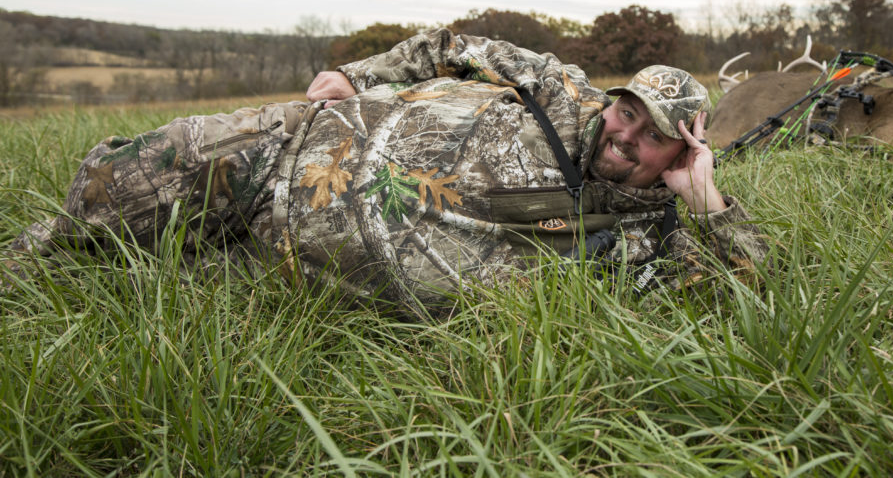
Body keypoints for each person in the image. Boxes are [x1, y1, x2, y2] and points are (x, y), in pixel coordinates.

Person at [6, 29, 768, 316]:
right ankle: (34, 250)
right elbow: (450, 44)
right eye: (626, 111)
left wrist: (709, 205)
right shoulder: (562, 89)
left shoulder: (649, 239)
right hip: (294, 144)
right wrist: (352, 72)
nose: (624, 133)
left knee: (151, 282)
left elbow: (752, 304)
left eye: (652, 134)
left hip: (295, 265)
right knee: (104, 196)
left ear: (687, 149)